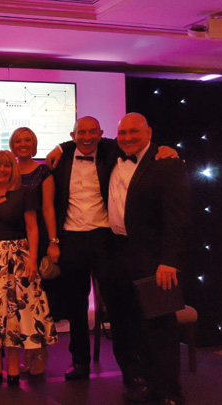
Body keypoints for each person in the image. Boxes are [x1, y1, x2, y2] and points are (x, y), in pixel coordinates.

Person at [46, 117, 180, 383]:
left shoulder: (112, 150)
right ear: (72, 135)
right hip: (71, 238)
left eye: (92, 132)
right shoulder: (62, 157)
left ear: (101, 134)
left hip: (105, 238)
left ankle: (131, 369)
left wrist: (167, 148)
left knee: (117, 304)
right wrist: (60, 147)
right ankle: (80, 361)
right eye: (80, 132)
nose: (86, 137)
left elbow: (139, 144)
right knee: (76, 305)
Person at [107, 113, 190, 405]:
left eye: (134, 132)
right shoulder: (113, 157)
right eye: (122, 133)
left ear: (149, 132)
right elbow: (81, 141)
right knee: (128, 325)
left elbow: (177, 218)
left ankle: (169, 391)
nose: (128, 137)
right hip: (118, 254)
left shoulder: (166, 163)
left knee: (160, 326)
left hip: (155, 259)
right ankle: (145, 385)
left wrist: (169, 260)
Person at [0, 151, 57, 386]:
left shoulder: (25, 192)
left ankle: (12, 367)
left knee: (16, 314)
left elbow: (32, 228)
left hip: (19, 259)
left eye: (6, 166)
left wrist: (32, 260)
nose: (1, 170)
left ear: (13, 169)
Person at [8, 127, 59, 376]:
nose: (23, 144)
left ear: (34, 143)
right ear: (12, 144)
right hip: (10, 242)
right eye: (18, 140)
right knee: (15, 303)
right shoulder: (6, 169)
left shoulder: (43, 172)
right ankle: (26, 350)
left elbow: (48, 209)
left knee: (34, 301)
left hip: (34, 239)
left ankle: (40, 350)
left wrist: (53, 241)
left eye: (28, 140)